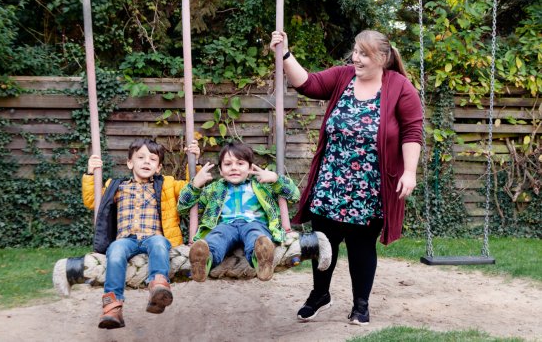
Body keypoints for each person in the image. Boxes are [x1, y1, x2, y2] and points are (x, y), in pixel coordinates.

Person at [269, 30, 423, 326]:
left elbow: (412, 132)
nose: (356, 58)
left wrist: (409, 171)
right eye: (355, 51)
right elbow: (308, 83)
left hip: (371, 186)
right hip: (331, 181)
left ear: (382, 58)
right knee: (324, 240)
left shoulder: (400, 88)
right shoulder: (343, 77)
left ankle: (360, 305)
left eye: (364, 54)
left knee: (361, 245)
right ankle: (319, 295)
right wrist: (286, 54)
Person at [82, 138, 200, 329]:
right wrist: (90, 173)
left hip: (153, 237)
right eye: (141, 157)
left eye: (152, 159)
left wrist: (194, 162)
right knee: (115, 250)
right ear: (130, 163)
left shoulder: (167, 184)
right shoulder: (116, 186)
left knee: (160, 243)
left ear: (159, 167)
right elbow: (91, 200)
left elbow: (191, 188)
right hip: (126, 239)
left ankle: (158, 286)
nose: (147, 162)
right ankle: (112, 307)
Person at [177, 142, 300, 282]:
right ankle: (203, 262)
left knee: (257, 237)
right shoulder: (214, 189)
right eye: (228, 164)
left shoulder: (262, 186)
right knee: (217, 237)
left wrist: (276, 179)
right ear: (221, 170)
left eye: (240, 163)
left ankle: (261, 260)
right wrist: (195, 185)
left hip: (255, 223)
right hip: (225, 226)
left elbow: (294, 195)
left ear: (250, 167)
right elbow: (183, 208)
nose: (234, 168)